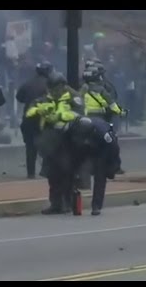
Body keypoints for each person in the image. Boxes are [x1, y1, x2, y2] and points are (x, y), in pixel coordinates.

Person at [25, 72, 85, 215]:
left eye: (55, 89)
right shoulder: (46, 98)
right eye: (51, 89)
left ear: (63, 86)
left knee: (67, 173)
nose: (53, 92)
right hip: (50, 141)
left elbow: (79, 114)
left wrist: (60, 116)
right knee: (52, 174)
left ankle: (67, 202)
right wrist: (40, 110)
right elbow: (30, 110)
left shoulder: (74, 97)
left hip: (68, 140)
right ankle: (55, 203)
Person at [68, 116, 121, 216]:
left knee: (100, 175)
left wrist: (114, 165)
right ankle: (71, 200)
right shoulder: (75, 126)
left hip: (103, 149)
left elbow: (114, 148)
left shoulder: (104, 134)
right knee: (72, 169)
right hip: (85, 148)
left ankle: (96, 206)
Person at [16, 61, 52, 179]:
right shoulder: (51, 84)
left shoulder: (28, 83)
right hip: (44, 119)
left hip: (28, 118)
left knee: (30, 147)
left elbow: (19, 97)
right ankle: (45, 170)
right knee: (48, 145)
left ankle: (30, 172)